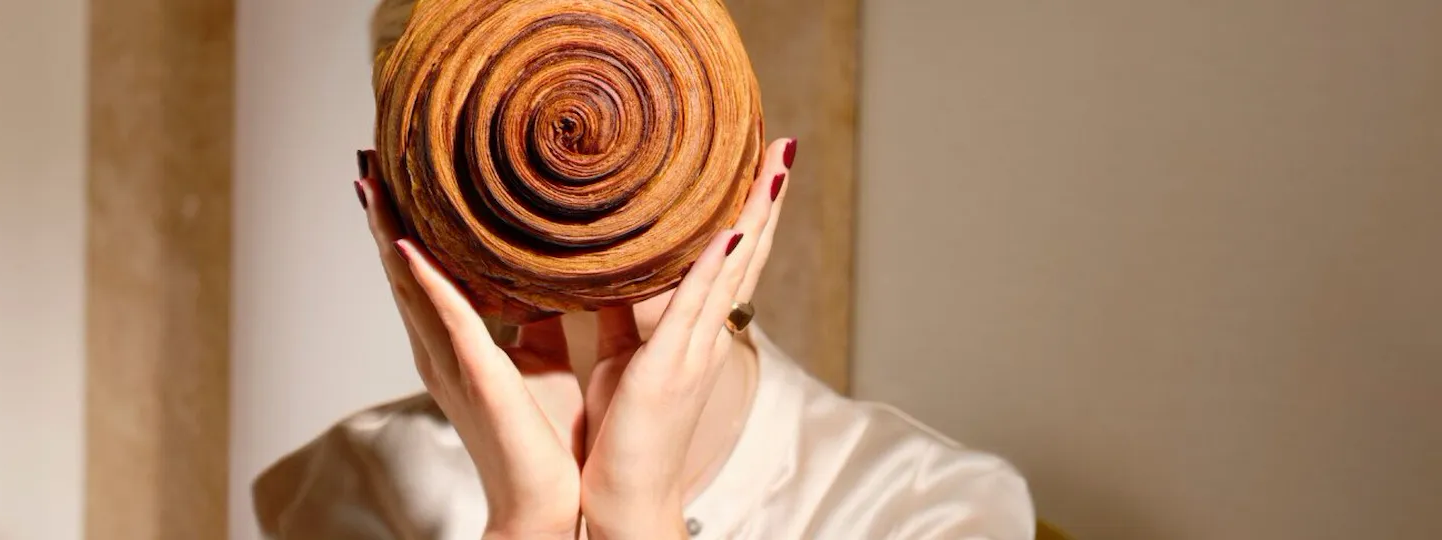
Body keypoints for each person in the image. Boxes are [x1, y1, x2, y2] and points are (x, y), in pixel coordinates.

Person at [249, 138, 1035, 539]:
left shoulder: (928, 507)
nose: (569, 166)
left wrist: (640, 520)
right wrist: (528, 522)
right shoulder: (346, 489)